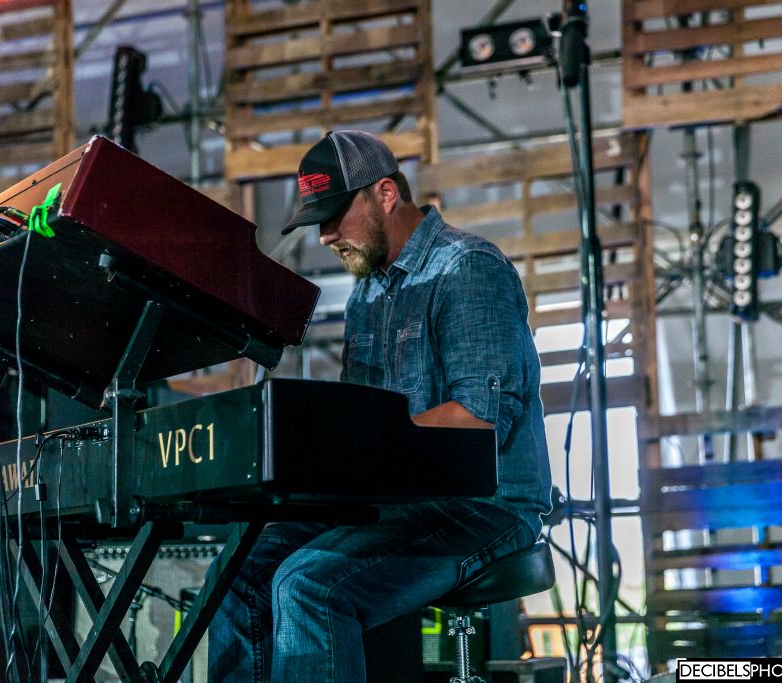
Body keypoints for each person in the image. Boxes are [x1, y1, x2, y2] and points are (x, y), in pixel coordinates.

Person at [208, 130, 553, 682]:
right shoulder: (367, 294)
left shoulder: (467, 268)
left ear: (386, 194)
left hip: (485, 507)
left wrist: (355, 447)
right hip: (398, 503)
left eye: (333, 217)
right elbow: (362, 419)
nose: (324, 236)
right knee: (236, 570)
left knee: (308, 587)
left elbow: (479, 419)